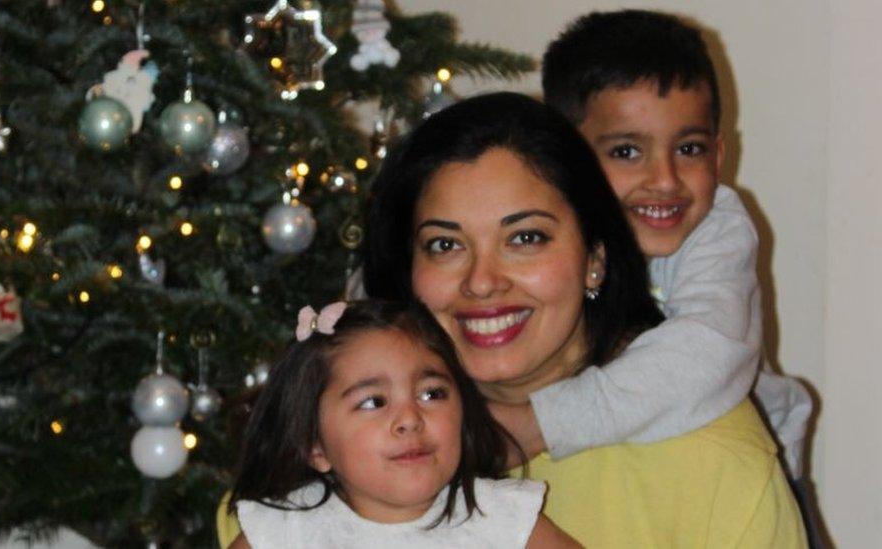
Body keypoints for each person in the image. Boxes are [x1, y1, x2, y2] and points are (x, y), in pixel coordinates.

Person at [363, 91, 806, 546]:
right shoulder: (361, 443)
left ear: (594, 258)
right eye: (444, 245)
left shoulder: (714, 463)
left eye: (526, 238)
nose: (482, 282)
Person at [221, 300, 578, 548]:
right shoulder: (285, 532)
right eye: (374, 402)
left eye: (432, 394)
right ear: (315, 446)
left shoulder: (502, 518)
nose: (409, 419)